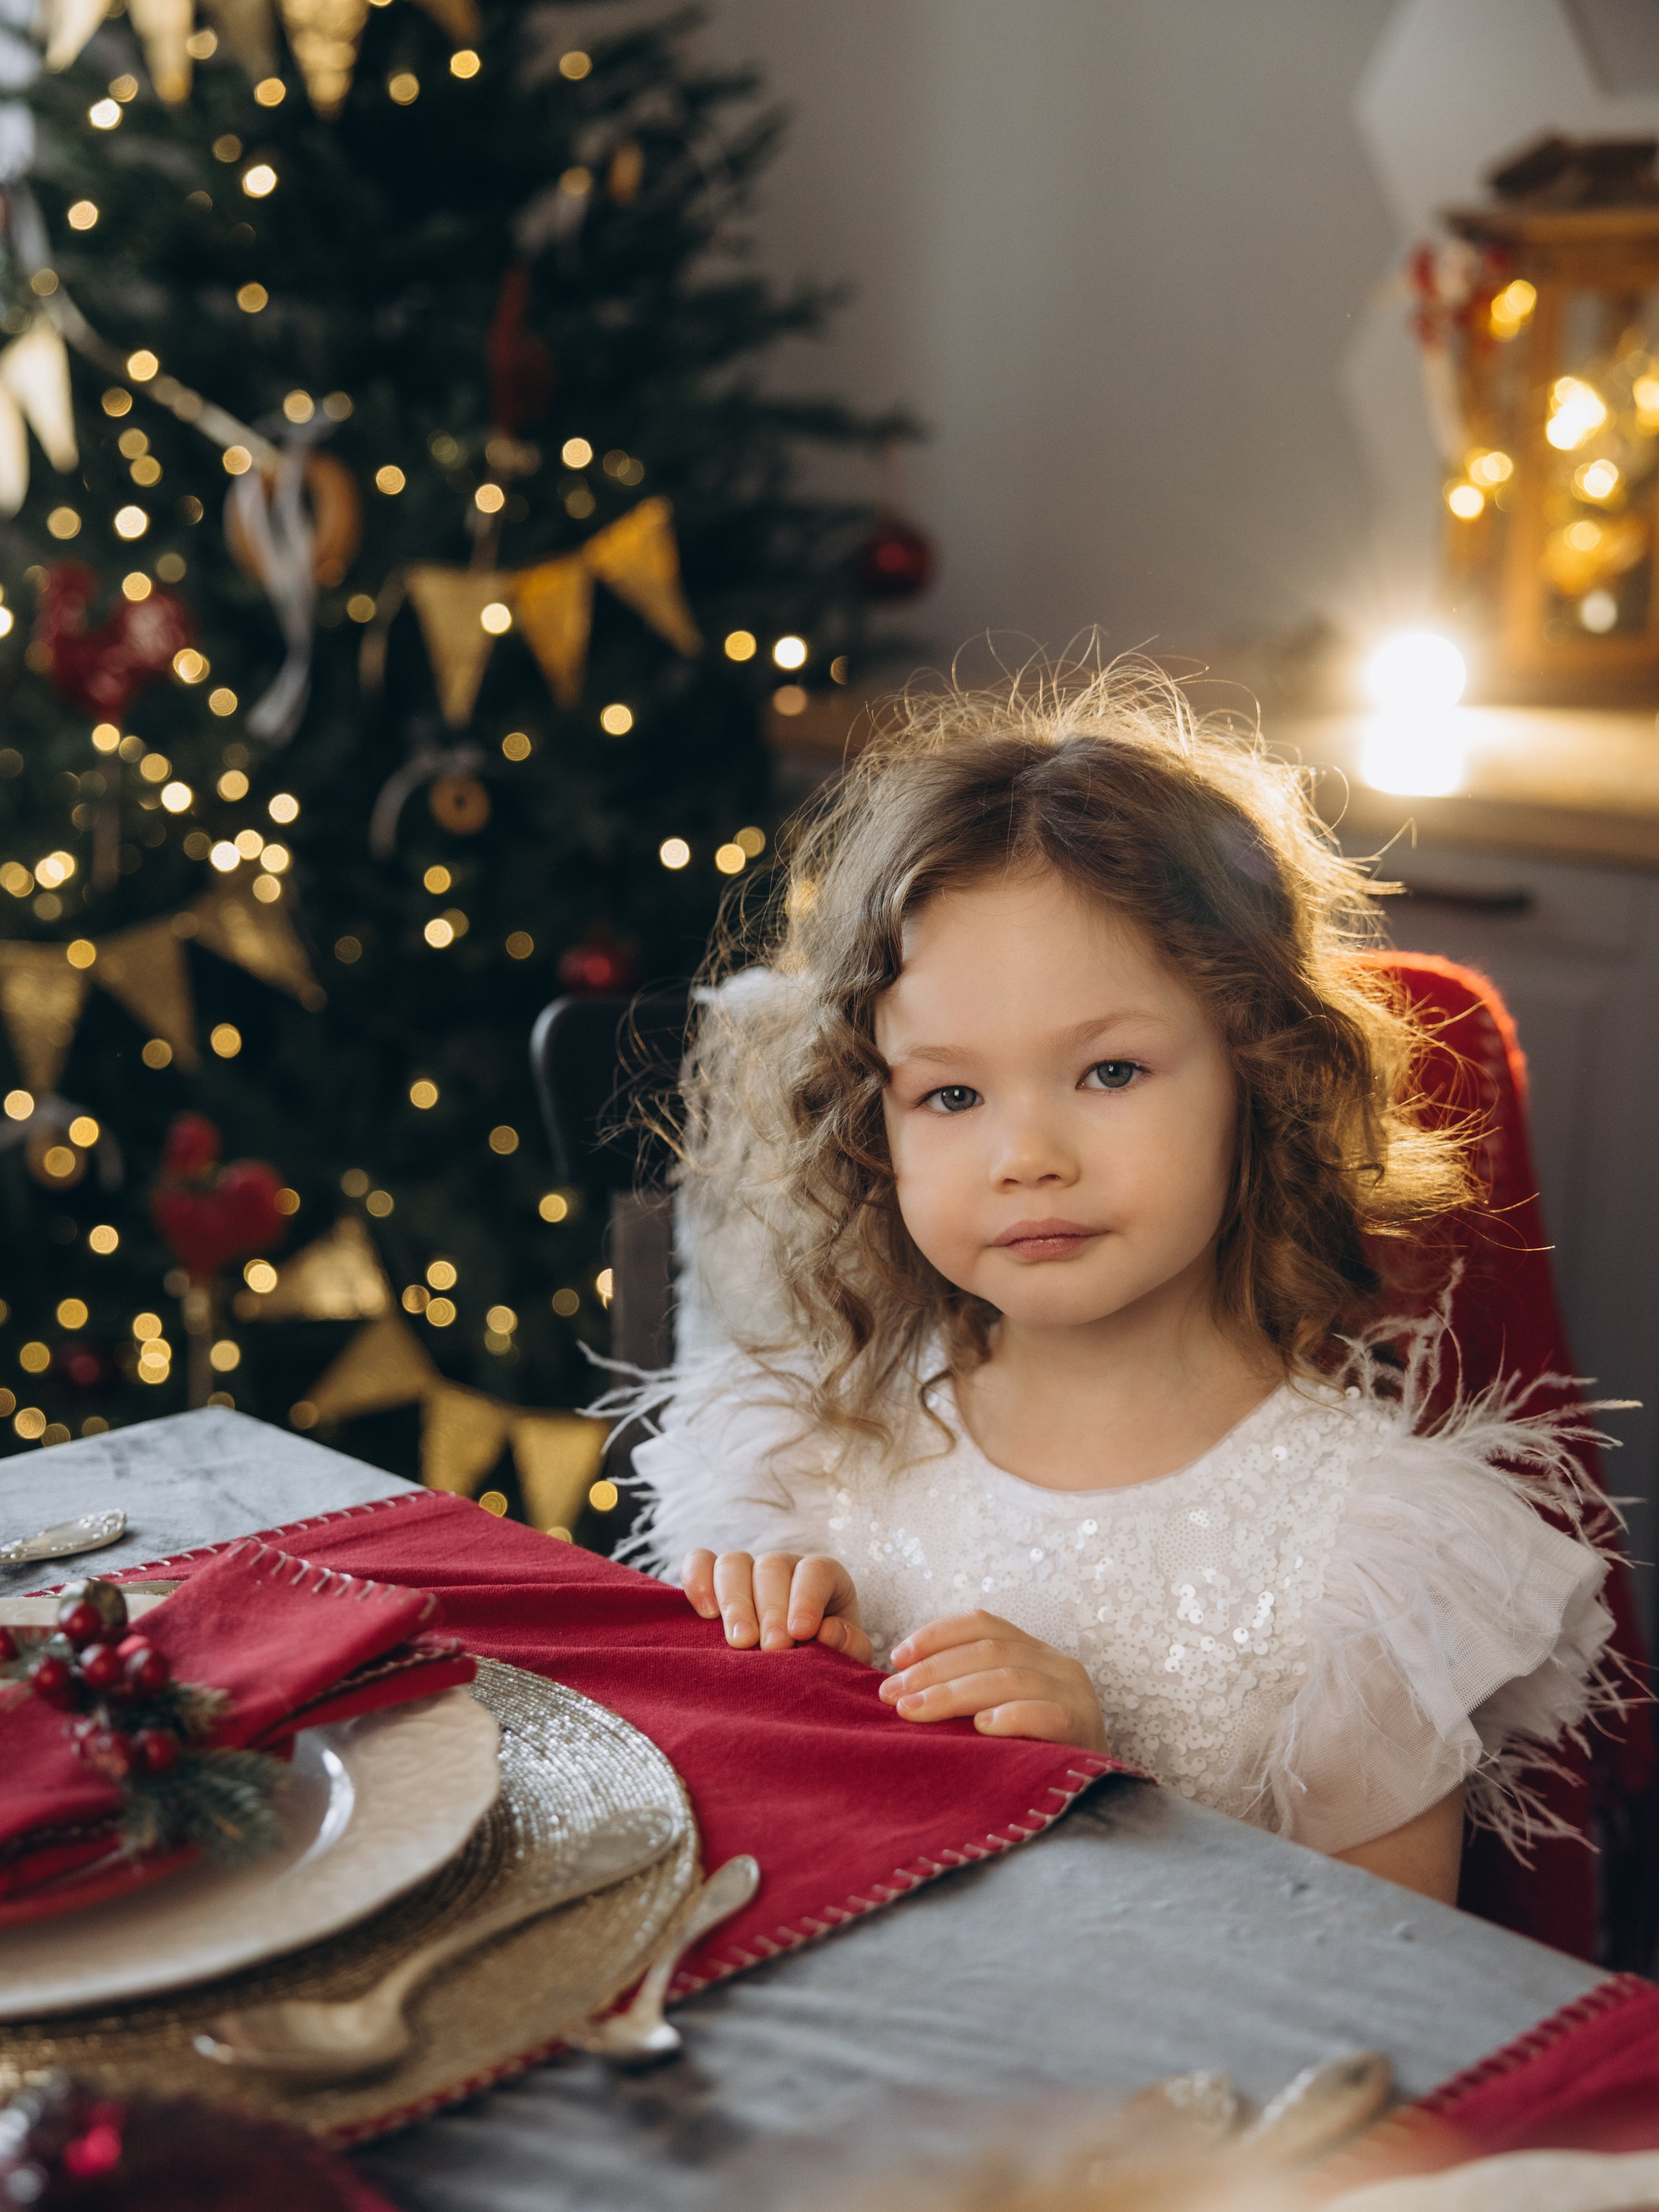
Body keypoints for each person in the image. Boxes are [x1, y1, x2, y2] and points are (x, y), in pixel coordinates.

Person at [622, 675, 1619, 1905]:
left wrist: (1117, 1798)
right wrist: (780, 1680)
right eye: (951, 1095)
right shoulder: (805, 1459)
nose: (1026, 1153)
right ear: (871, 1125)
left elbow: (1378, 1986)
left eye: (1107, 1071)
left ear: (1262, 1072)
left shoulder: (1372, 1555)